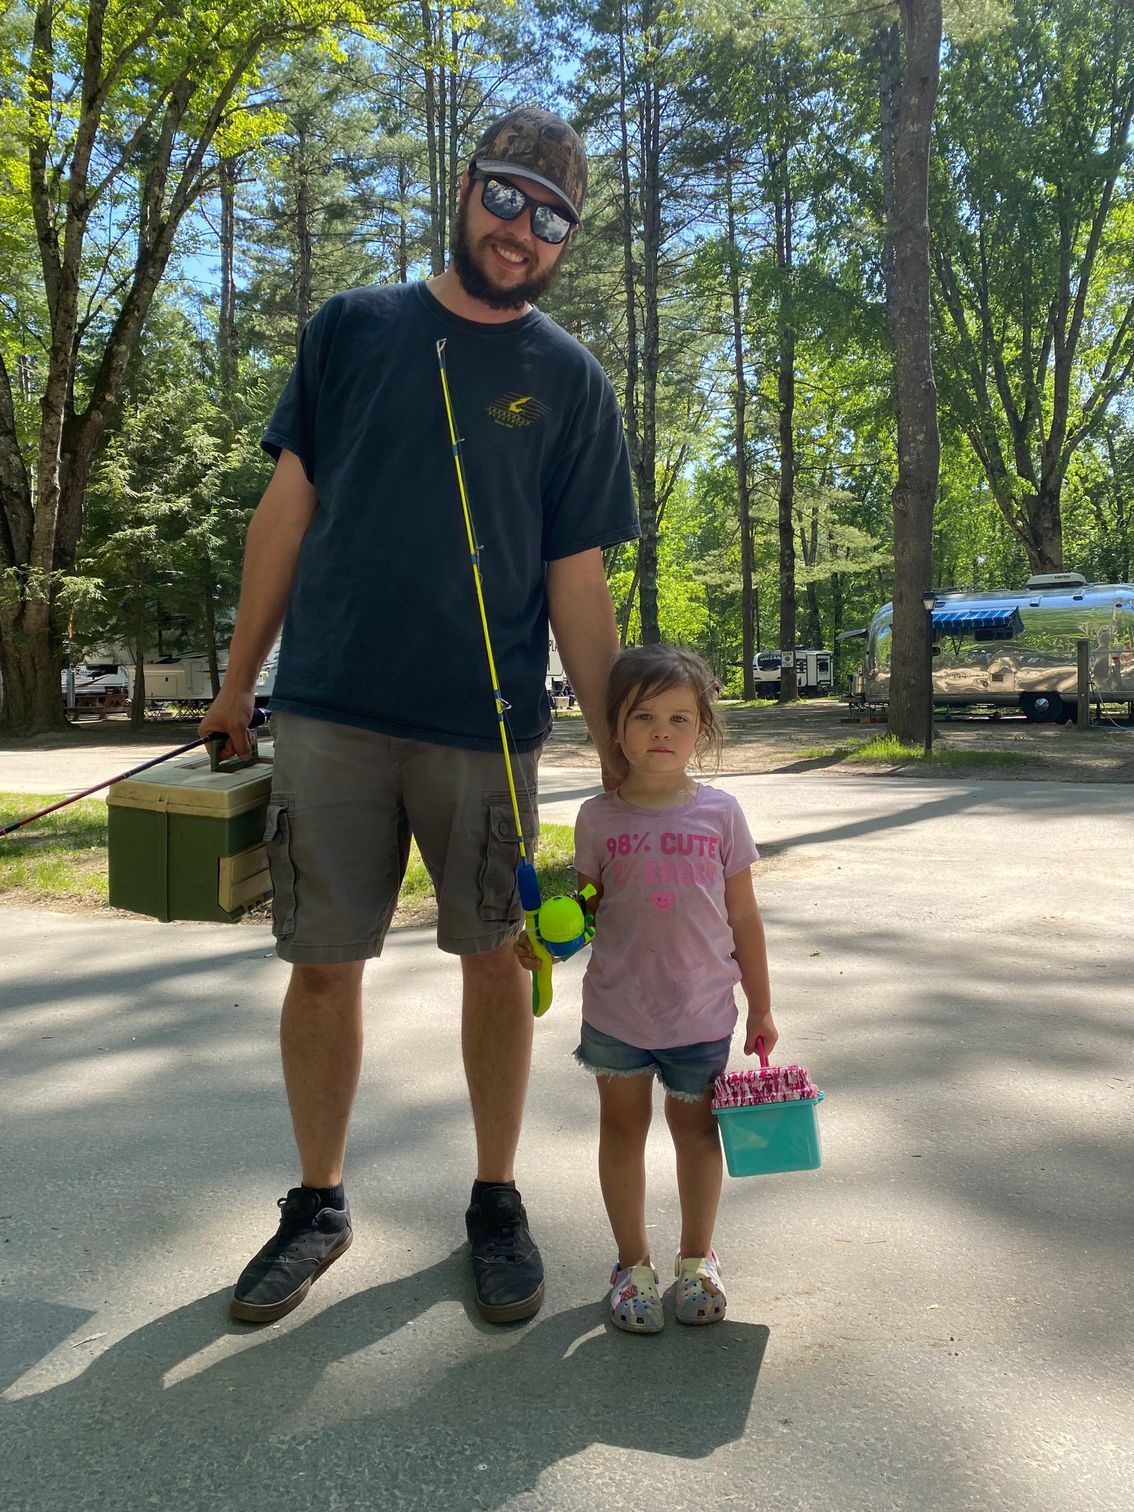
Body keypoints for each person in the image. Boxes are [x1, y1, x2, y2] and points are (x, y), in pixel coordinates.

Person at [199, 105, 639, 1328]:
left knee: (496, 963)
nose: (523, 231)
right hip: (332, 710)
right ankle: (317, 1204)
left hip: (484, 729)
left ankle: (495, 1201)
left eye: (552, 219)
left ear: (566, 241)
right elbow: (283, 514)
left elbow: (579, 585)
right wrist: (239, 681)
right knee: (323, 970)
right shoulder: (352, 328)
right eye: (507, 197)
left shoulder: (570, 380)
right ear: (467, 185)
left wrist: (614, 749)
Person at [518, 645, 775, 1332]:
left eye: (680, 718)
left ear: (702, 730)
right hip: (618, 1015)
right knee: (623, 1130)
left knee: (695, 1136)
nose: (662, 732)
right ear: (615, 730)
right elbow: (589, 913)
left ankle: (697, 1263)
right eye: (644, 717)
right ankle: (631, 1267)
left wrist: (763, 1006)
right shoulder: (597, 819)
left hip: (701, 1013)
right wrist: (547, 940)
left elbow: (744, 917)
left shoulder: (722, 815)